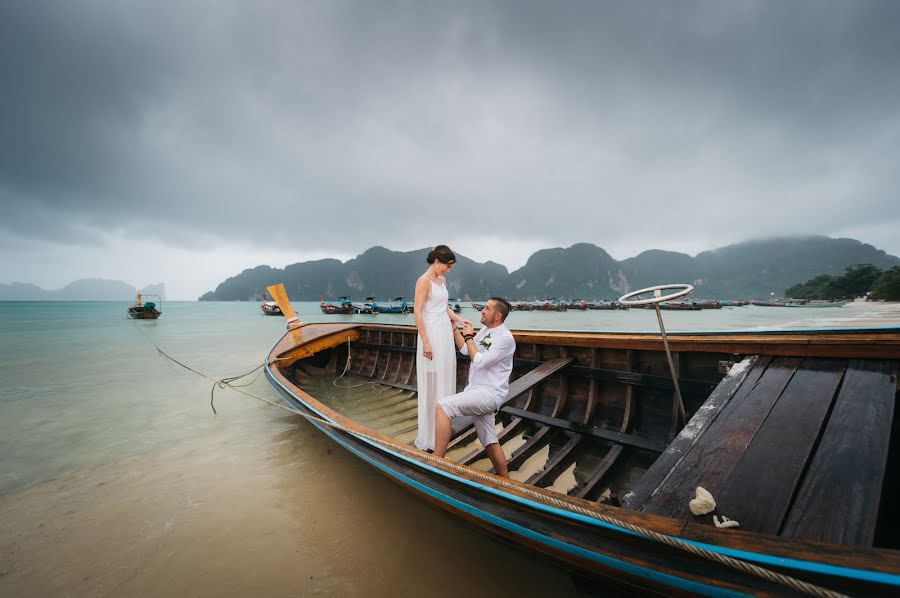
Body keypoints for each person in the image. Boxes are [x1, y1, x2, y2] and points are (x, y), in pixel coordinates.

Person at [434, 297, 516, 477]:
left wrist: (470, 336)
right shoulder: (486, 331)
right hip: (477, 391)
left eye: (487, 308)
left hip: (489, 394)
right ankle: (507, 481)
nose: (482, 311)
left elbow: (479, 361)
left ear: (498, 315)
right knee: (489, 440)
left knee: (442, 407)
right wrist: (455, 328)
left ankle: (436, 462)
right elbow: (466, 349)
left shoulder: (505, 338)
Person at [414, 245, 470, 451]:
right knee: (431, 381)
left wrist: (458, 318)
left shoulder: (442, 280)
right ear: (437, 260)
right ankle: (428, 435)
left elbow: (443, 307)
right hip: (431, 334)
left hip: (445, 333)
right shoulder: (423, 281)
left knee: (445, 375)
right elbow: (418, 313)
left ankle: (441, 430)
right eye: (447, 266)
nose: (448, 270)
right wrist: (426, 342)